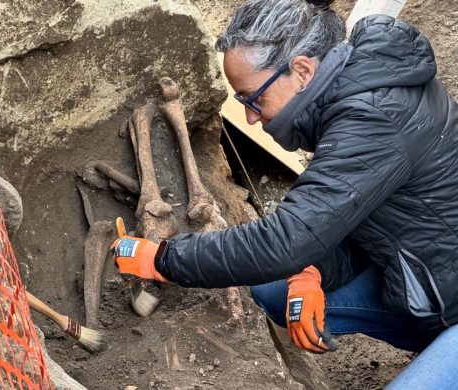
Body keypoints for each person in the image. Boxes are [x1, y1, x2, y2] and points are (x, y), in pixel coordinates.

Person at [111, 0, 458, 387]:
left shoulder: (373, 118)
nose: (250, 118)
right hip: (433, 279)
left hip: (447, 298)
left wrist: (161, 258)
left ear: (302, 70)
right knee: (279, 291)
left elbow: (284, 242)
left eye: (253, 99)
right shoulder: (356, 88)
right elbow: (370, 221)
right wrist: (312, 271)